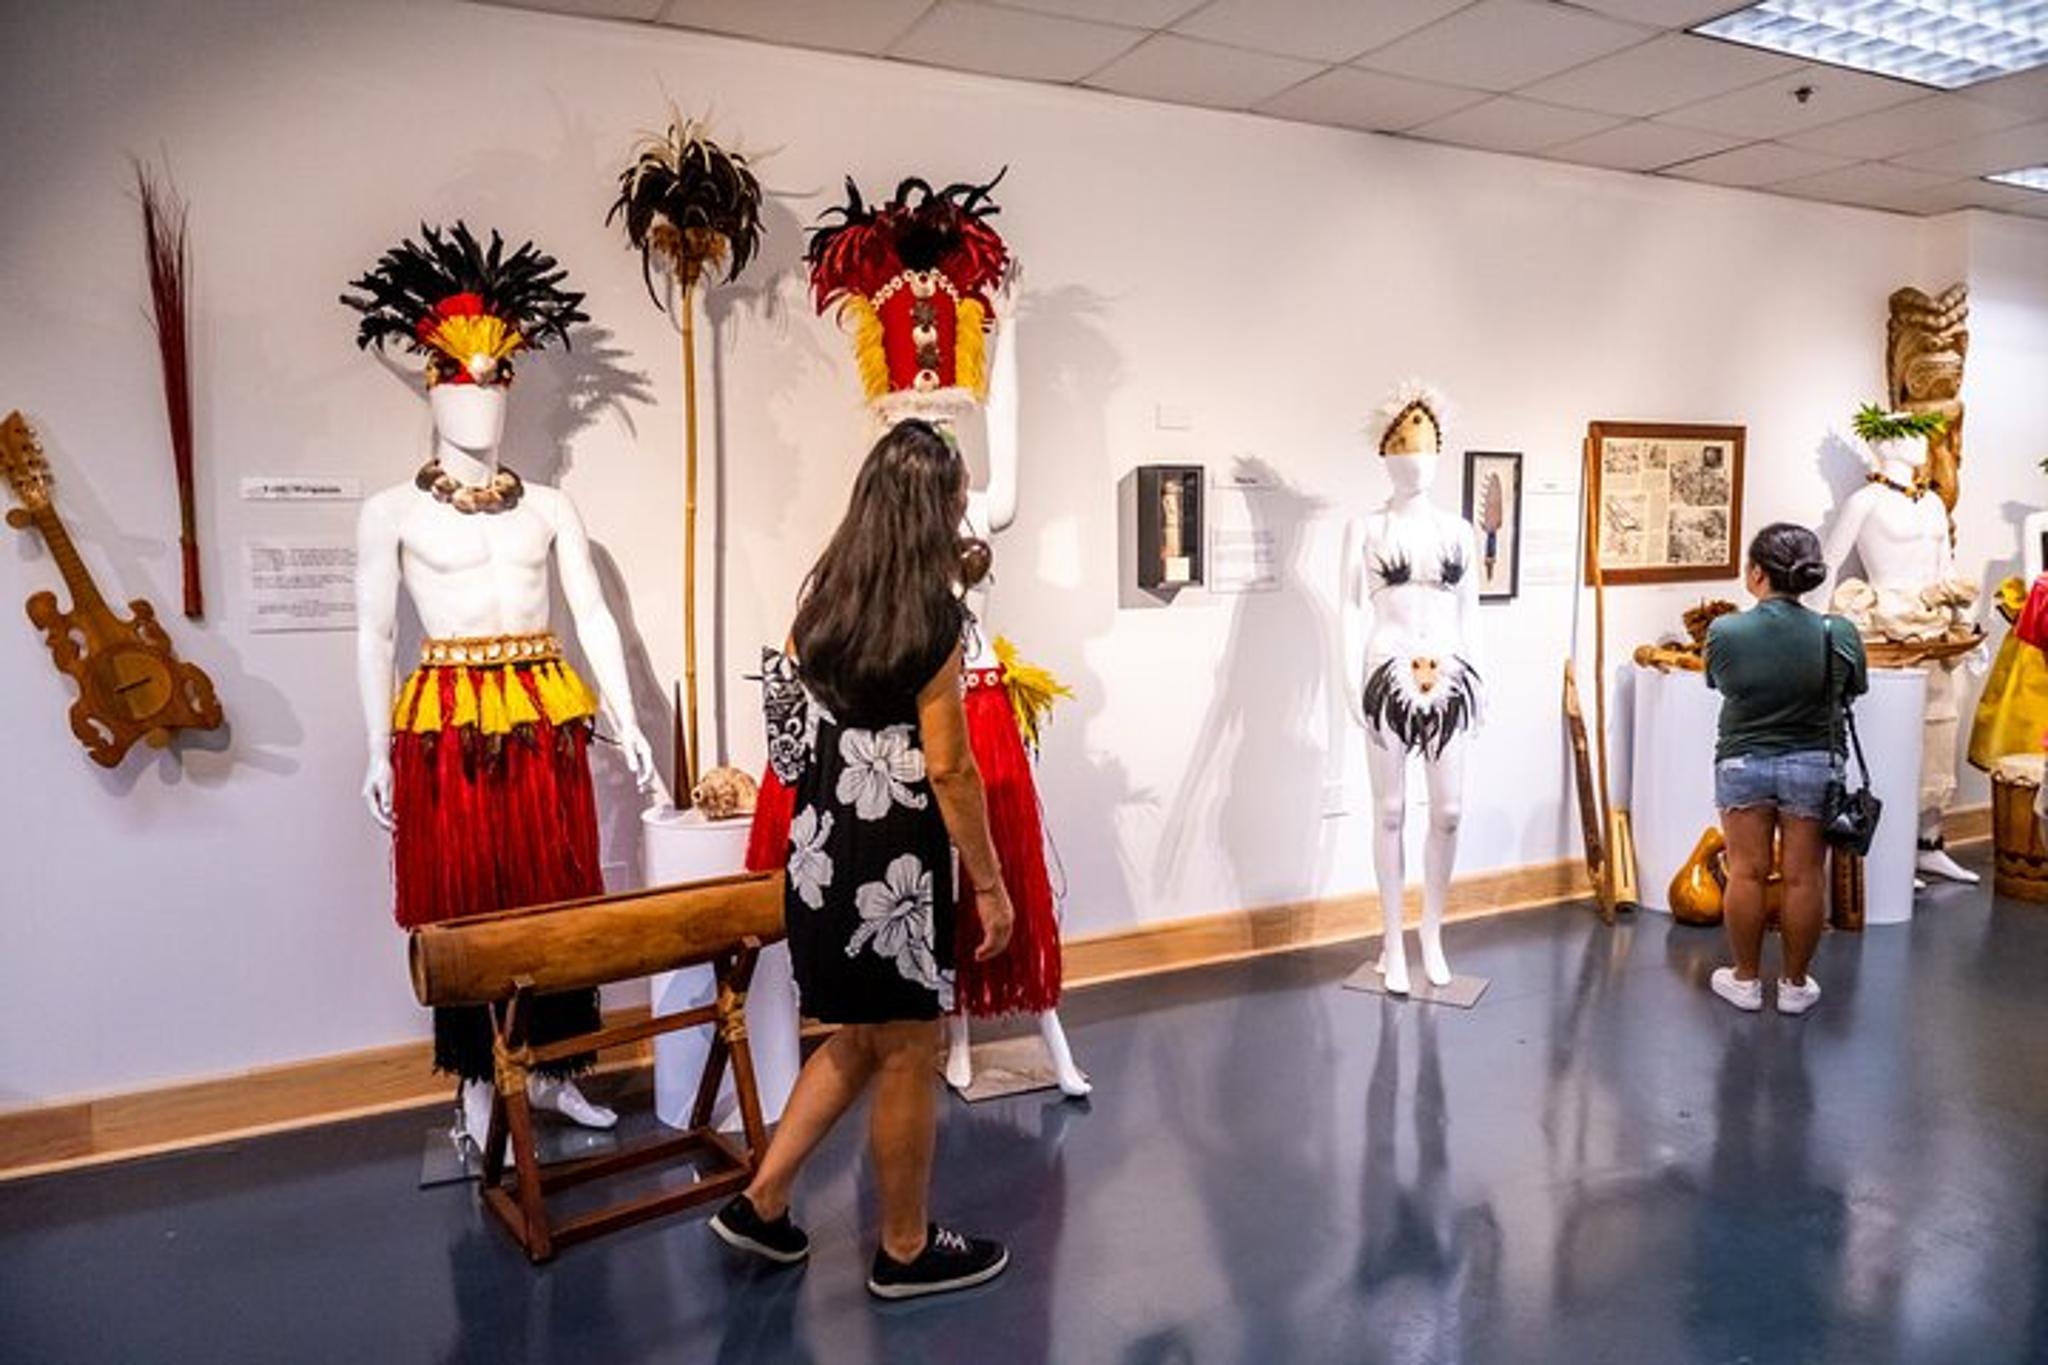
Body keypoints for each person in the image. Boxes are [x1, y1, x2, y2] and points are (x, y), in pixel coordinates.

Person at [709, 418, 1016, 1300]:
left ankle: (762, 1199)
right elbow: (951, 765)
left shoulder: (821, 603)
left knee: (856, 1035)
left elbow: (787, 742)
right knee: (911, 1043)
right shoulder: (934, 617)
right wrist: (990, 884)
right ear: (935, 508)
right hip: (894, 862)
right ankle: (907, 1248)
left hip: (820, 851)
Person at [1704, 523, 1868, 1015]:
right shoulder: (1836, 631)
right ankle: (1795, 985)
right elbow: (1854, 687)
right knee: (1804, 878)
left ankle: (1746, 980)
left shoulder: (1725, 630)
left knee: (1746, 873)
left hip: (1741, 759)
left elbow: (1718, 682)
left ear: (1756, 573)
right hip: (1816, 760)